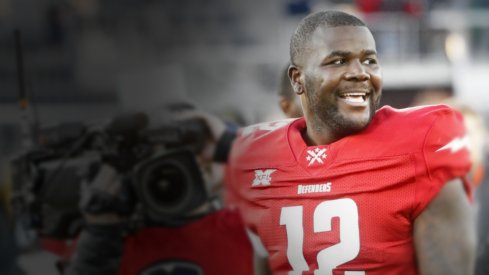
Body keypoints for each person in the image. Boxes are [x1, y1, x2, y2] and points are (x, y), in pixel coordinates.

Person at [203, 10, 476, 274]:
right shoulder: (256, 157)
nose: (360, 73)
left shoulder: (422, 146)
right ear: (298, 79)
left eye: (369, 60)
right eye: (338, 61)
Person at [66, 105, 253, 275]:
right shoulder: (113, 244)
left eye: (187, 152)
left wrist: (227, 146)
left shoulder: (243, 228)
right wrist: (101, 232)